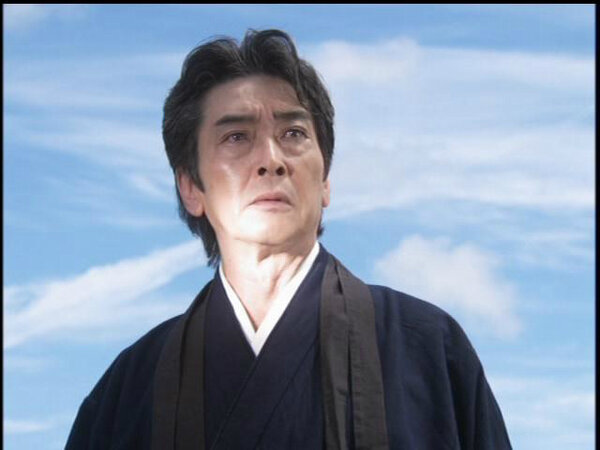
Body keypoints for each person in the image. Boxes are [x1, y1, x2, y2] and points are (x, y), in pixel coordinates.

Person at [65, 29, 512, 450]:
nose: (271, 159)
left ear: (325, 181)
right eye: (236, 137)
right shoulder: (128, 390)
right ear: (191, 188)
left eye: (293, 134)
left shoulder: (427, 349)